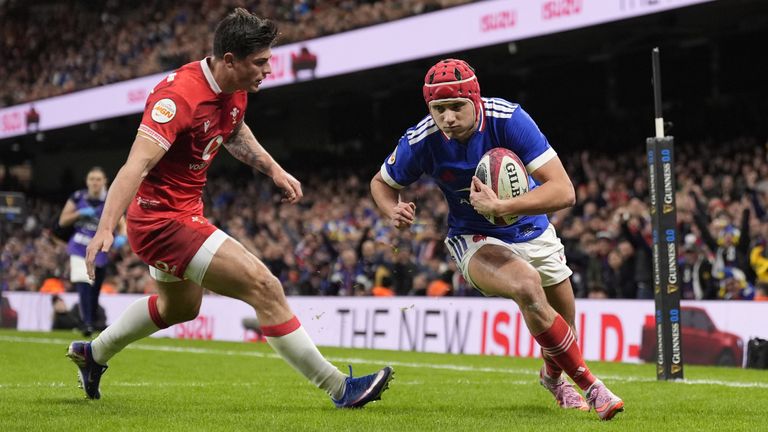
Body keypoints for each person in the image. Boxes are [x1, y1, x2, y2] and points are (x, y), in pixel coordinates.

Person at [66, 9, 393, 408]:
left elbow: (234, 130)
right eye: (260, 62)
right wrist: (105, 226)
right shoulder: (177, 98)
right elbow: (136, 165)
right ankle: (341, 388)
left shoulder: (235, 88)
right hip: (162, 221)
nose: (268, 70)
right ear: (229, 60)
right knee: (264, 286)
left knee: (179, 308)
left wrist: (273, 169)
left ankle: (93, 354)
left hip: (183, 212)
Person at [370, 59, 624, 420]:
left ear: (475, 99)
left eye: (456, 106)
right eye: (438, 109)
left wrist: (502, 206)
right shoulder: (422, 139)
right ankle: (593, 387)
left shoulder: (508, 119)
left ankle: (553, 378)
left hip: (531, 228)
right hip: (473, 237)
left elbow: (564, 191)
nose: (447, 118)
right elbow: (381, 183)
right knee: (526, 285)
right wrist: (391, 209)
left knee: (564, 327)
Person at [58, 167, 127, 336]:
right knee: (83, 282)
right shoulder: (77, 197)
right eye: (92, 179)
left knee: (95, 288)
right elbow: (63, 221)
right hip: (79, 246)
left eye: (98, 179)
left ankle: (92, 320)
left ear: (105, 181)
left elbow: (122, 223)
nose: (95, 182)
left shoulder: (110, 199)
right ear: (87, 181)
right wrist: (79, 214)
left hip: (100, 249)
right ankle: (87, 323)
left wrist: (122, 237)